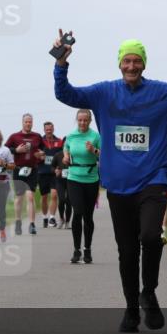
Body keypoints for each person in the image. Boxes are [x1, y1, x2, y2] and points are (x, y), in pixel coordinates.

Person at [53, 31, 167, 332]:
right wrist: (61, 63)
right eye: (126, 61)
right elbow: (66, 94)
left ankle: (149, 292)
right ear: (119, 64)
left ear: (144, 64)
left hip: (153, 179)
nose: (131, 66)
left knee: (149, 236)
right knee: (128, 250)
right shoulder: (103, 93)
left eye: (137, 61)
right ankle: (132, 308)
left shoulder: (162, 93)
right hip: (119, 185)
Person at [62, 109, 101, 264]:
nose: (82, 123)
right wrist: (65, 157)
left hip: (91, 178)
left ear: (90, 121)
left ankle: (87, 249)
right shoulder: (71, 136)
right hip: (74, 177)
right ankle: (76, 250)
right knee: (77, 212)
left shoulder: (96, 136)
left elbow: (104, 154)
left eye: (85, 120)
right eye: (80, 120)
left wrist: (94, 150)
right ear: (76, 120)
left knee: (88, 216)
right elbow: (66, 148)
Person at [5, 114, 45, 235]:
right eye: (26, 122)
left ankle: (32, 224)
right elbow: (5, 150)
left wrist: (41, 155)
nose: (28, 124)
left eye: (30, 122)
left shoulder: (37, 136)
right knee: (18, 199)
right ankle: (18, 222)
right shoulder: (14, 136)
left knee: (30, 197)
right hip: (18, 170)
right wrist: (16, 150)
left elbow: (43, 152)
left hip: (32, 170)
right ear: (22, 123)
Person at [38, 121, 65, 228]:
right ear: (44, 130)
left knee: (54, 194)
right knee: (44, 197)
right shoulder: (40, 142)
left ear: (53, 129)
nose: (49, 131)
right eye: (47, 129)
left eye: (50, 129)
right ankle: (45, 216)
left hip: (54, 172)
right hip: (42, 172)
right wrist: (39, 157)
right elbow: (34, 154)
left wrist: (60, 167)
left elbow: (63, 156)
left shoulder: (59, 142)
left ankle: (52, 218)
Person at [51, 149, 72, 230]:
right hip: (60, 180)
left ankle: (67, 222)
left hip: (71, 180)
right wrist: (55, 170)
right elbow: (52, 166)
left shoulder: (74, 154)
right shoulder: (58, 155)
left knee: (69, 201)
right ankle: (61, 219)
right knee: (62, 199)